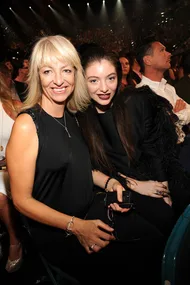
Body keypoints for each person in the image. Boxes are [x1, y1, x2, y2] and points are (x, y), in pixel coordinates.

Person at [6, 35, 150, 285]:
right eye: (48, 71)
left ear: (76, 74)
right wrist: (77, 227)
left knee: (150, 238)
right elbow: (21, 201)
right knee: (131, 266)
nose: (59, 80)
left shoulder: (71, 116)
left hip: (89, 212)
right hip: (60, 233)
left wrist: (111, 184)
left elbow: (80, 166)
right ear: (37, 76)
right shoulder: (27, 125)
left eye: (66, 70)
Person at [77, 47, 180, 284]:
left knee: (169, 220)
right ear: (83, 81)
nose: (104, 88)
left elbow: (155, 148)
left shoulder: (134, 101)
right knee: (148, 244)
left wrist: (164, 188)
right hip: (118, 185)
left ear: (119, 76)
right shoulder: (80, 118)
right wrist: (134, 185)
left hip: (152, 176)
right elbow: (91, 167)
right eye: (94, 80)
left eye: (110, 78)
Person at [135, 39, 190, 128]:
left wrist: (175, 116)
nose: (169, 54)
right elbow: (159, 130)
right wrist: (177, 116)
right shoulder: (140, 94)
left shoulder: (169, 88)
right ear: (148, 60)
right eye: (161, 50)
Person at [0, 72, 23, 273]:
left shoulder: (13, 106)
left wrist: (10, 158)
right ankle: (12, 238)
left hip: (19, 164)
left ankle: (15, 240)